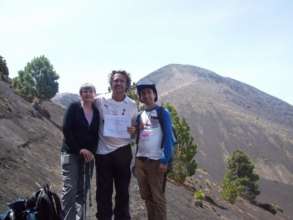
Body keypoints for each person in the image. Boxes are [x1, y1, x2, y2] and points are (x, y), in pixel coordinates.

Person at [95, 70, 137, 220]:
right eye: (116, 80)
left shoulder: (132, 105)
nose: (118, 83)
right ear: (111, 83)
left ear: (127, 85)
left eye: (122, 81)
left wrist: (134, 130)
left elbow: (134, 130)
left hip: (123, 152)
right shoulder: (100, 100)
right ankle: (103, 217)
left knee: (123, 191)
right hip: (103, 152)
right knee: (103, 191)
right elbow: (86, 107)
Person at [134, 83, 173, 220]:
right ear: (140, 97)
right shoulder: (140, 115)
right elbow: (138, 137)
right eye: (143, 93)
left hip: (156, 162)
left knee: (158, 198)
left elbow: (169, 137)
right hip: (140, 161)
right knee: (146, 196)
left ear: (154, 95)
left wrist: (165, 160)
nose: (146, 95)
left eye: (149, 92)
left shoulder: (163, 112)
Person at [61, 83, 100, 220]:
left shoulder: (96, 112)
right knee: (70, 189)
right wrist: (80, 149)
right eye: (84, 91)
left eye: (90, 91)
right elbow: (66, 129)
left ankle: (80, 217)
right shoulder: (74, 108)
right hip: (71, 154)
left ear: (94, 94)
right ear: (80, 93)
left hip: (88, 157)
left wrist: (92, 151)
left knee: (83, 190)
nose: (87, 93)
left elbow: (97, 134)